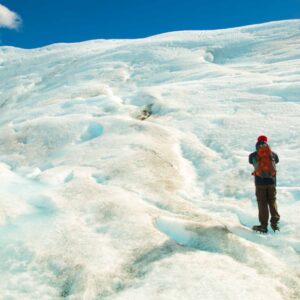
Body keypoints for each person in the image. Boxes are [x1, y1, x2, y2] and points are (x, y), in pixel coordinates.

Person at [249, 135, 280, 233]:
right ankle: (275, 224)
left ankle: (263, 226)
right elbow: (277, 161)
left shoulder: (253, 155)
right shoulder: (273, 154)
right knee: (272, 201)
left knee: (262, 203)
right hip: (271, 182)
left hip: (260, 183)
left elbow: (251, 162)